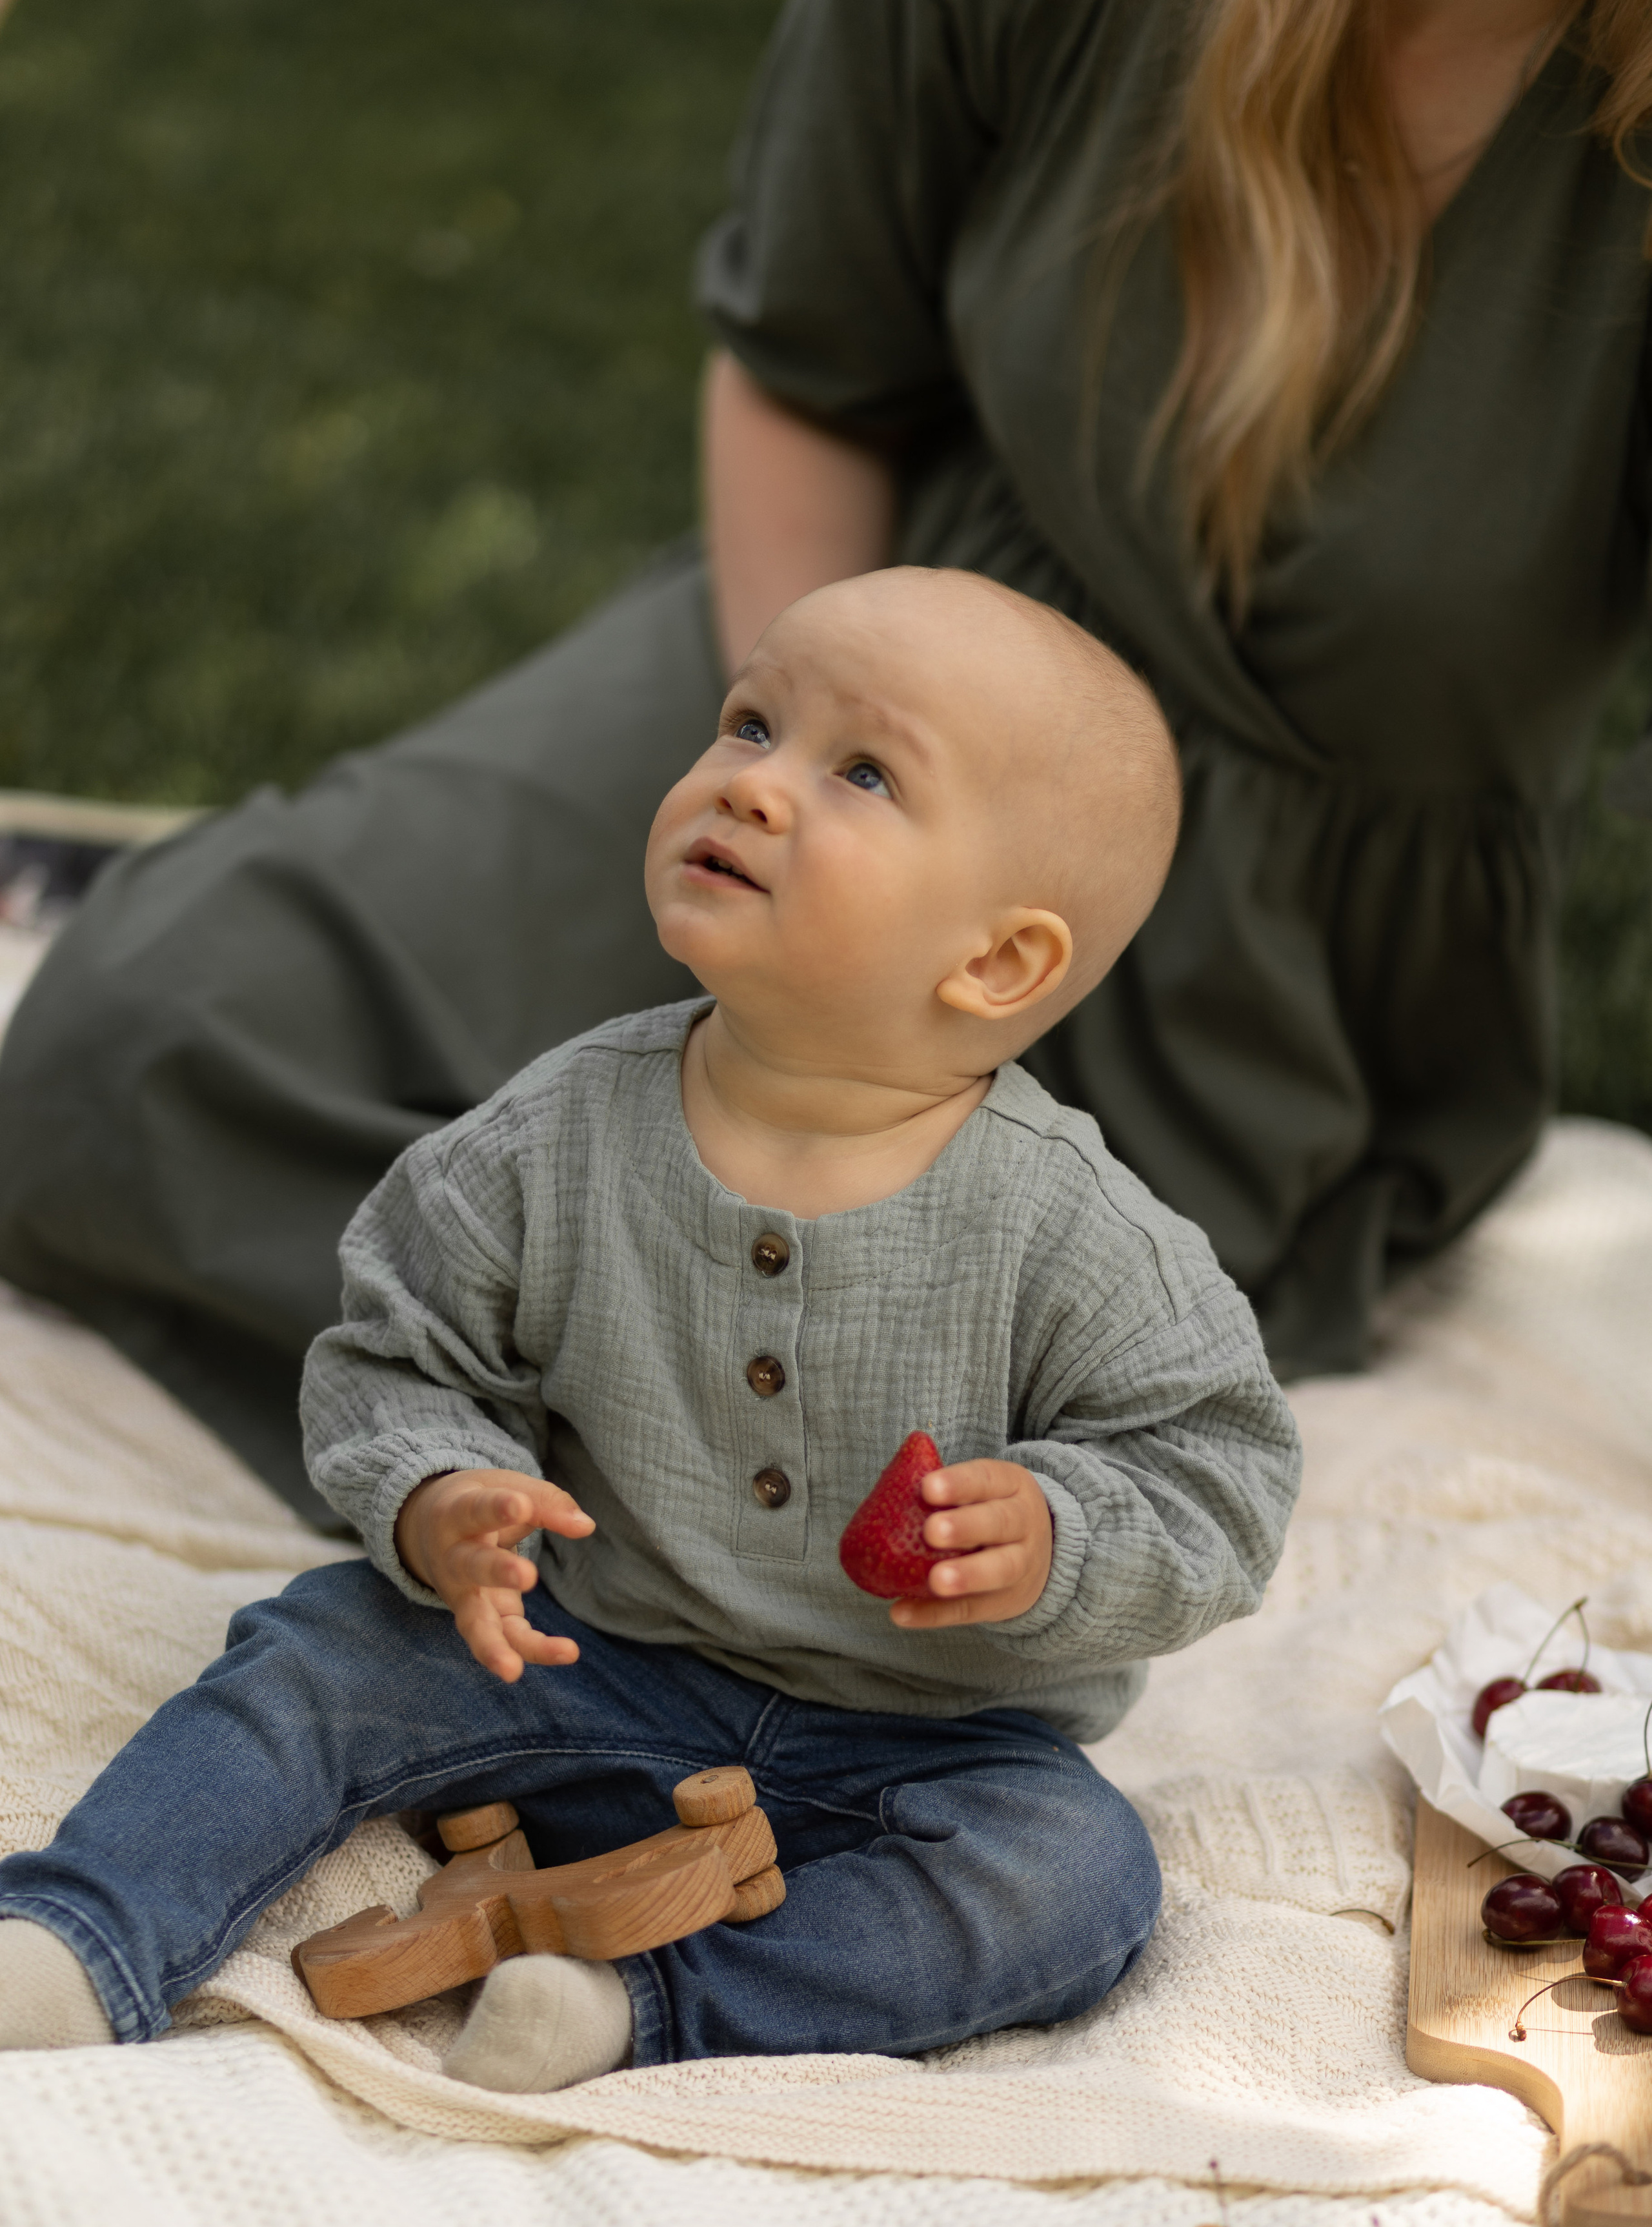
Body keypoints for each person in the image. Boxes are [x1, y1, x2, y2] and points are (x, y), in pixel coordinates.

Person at [0, 0, 1645, 1523]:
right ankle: (583, 1448)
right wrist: (791, 777)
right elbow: (811, 365)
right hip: (858, 642)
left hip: (1264, 938)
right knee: (122, 1047)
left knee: (940, 1389)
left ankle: (666, 1481)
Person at [0, 569, 1300, 2090]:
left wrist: (1058, 1534)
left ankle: (644, 2008)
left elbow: (1218, 1477)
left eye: (860, 771)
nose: (752, 783)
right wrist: (440, 1499)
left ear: (996, 962)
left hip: (926, 1739)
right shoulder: (555, 1131)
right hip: (579, 1645)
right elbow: (395, 1354)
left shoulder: (1075, 1233)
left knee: (1074, 1877)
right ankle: (81, 1936)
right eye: (749, 721)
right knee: (321, 1649)